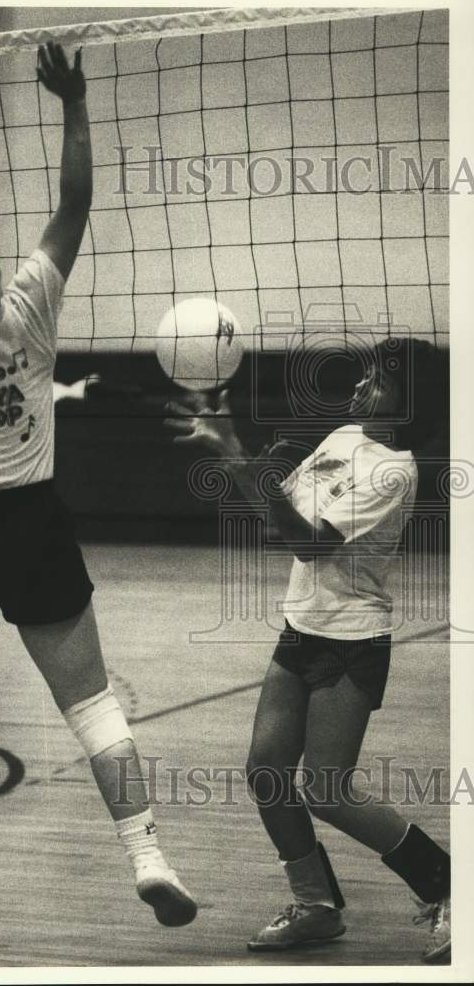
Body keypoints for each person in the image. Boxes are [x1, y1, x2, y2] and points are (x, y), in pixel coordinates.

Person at [0, 42, 196, 932]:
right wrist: (75, 102)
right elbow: (75, 201)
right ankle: (148, 856)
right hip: (31, 524)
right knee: (93, 707)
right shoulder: (28, 312)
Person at [165, 338, 450, 963]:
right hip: (302, 629)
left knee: (327, 788)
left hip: (352, 640)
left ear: (409, 400)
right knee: (267, 773)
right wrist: (232, 453)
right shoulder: (343, 438)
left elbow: (310, 546)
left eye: (376, 380)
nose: (358, 387)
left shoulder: (394, 468)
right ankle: (317, 908)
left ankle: (450, 887)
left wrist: (241, 457)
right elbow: (276, 519)